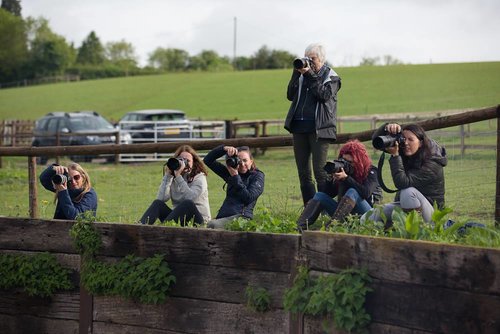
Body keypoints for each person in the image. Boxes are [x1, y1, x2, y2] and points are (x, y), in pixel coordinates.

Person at [284, 43, 341, 206]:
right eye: (306, 57)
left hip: (319, 129)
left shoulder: (332, 76)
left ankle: (325, 207)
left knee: (320, 172)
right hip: (299, 127)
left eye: (313, 58)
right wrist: (296, 74)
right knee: (303, 173)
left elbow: (323, 95)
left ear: (322, 59)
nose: (309, 61)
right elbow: (290, 95)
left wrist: (308, 74)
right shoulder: (302, 74)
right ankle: (309, 209)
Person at [366, 123, 447, 224]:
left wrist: (395, 156)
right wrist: (388, 127)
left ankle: (415, 231)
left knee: (408, 192)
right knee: (368, 217)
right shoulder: (406, 151)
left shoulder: (432, 163)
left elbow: (403, 183)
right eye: (404, 139)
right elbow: (377, 141)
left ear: (421, 143)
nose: (406, 143)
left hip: (432, 215)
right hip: (407, 205)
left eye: (411, 139)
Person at [297, 140, 382, 231]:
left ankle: (331, 228)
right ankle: (299, 227)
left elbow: (366, 193)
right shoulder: (343, 172)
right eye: (344, 160)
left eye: (350, 162)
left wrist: (347, 178)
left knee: (352, 192)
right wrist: (331, 179)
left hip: (368, 216)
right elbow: (327, 194)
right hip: (347, 216)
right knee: (320, 195)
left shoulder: (372, 171)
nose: (346, 164)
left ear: (359, 161)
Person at [139, 145, 210, 225]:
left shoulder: (200, 177)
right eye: (181, 160)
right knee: (157, 203)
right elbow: (161, 198)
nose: (184, 163)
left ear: (194, 163)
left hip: (198, 220)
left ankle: (163, 229)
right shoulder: (174, 176)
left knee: (187, 203)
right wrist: (168, 175)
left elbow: (190, 197)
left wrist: (178, 177)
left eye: (188, 161)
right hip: (179, 218)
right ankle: (139, 228)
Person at [203, 145, 265, 229]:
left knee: (212, 225)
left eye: (245, 160)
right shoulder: (230, 172)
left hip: (242, 217)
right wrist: (224, 149)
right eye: (239, 161)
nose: (242, 164)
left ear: (251, 161)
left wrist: (235, 176)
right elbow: (207, 160)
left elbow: (249, 198)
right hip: (224, 216)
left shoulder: (257, 176)